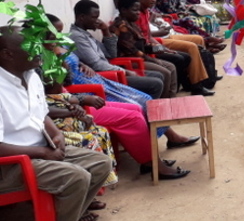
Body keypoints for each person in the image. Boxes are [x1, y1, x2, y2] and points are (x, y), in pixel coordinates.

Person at [0, 27, 112, 221]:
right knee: (76, 177)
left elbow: (41, 115)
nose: (39, 49)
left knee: (100, 164)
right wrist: (41, 152)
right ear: (7, 54)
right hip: (9, 165)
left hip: (40, 149)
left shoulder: (30, 76)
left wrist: (56, 136)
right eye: (30, 46)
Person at [47, 15, 200, 153]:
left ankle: (167, 137)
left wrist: (82, 62)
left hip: (94, 79)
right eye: (57, 32)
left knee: (145, 97)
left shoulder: (64, 42)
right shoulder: (50, 54)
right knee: (140, 101)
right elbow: (91, 66)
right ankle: (156, 142)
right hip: (84, 88)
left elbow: (102, 55)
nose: (60, 35)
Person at [68, 0, 166, 99]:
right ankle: (148, 110)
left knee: (159, 75)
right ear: (82, 17)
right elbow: (96, 64)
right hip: (104, 76)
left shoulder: (85, 34)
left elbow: (111, 54)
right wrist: (124, 71)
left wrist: (105, 31)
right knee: (156, 84)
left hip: (113, 69)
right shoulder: (77, 37)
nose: (98, 21)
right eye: (94, 17)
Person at [134, 0, 218, 95]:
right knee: (191, 47)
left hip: (158, 39)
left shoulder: (145, 11)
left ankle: (206, 77)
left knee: (198, 39)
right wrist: (161, 47)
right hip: (153, 44)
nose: (154, 0)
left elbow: (148, 36)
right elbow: (144, 41)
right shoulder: (135, 14)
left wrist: (163, 45)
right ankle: (196, 86)